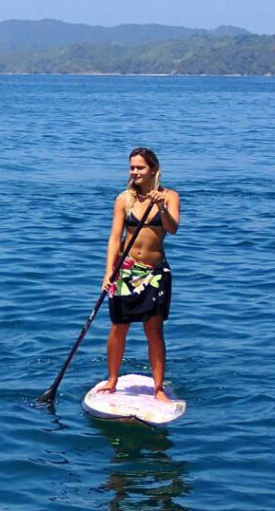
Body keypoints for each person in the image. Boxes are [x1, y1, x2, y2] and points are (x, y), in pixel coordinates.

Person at [99, 147, 180, 402]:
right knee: (118, 327)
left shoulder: (170, 196)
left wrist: (162, 208)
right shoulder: (124, 199)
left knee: (154, 329)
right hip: (128, 270)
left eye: (140, 167)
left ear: (153, 169)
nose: (134, 172)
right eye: (131, 167)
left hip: (156, 272)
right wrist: (108, 271)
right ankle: (112, 381)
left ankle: (158, 388)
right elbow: (115, 238)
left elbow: (173, 228)